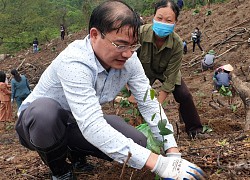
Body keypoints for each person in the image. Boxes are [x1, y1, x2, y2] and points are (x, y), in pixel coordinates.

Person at [15, 1, 206, 179]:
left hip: (76, 122)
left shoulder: (129, 59)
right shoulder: (74, 61)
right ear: (95, 35)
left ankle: (76, 153)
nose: (127, 53)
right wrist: (158, 164)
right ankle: (60, 170)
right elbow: (91, 125)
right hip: (36, 124)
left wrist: (172, 151)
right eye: (120, 44)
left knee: (137, 143)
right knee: (45, 114)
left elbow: (149, 103)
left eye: (133, 45)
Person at [138, 0, 203, 138]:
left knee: (184, 95)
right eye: (159, 18)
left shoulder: (177, 43)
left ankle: (195, 130)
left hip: (167, 71)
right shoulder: (140, 34)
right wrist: (132, 89)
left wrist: (158, 106)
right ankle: (138, 129)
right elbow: (127, 62)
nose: (163, 23)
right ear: (153, 17)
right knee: (137, 99)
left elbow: (171, 76)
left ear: (175, 22)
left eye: (168, 20)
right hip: (143, 72)